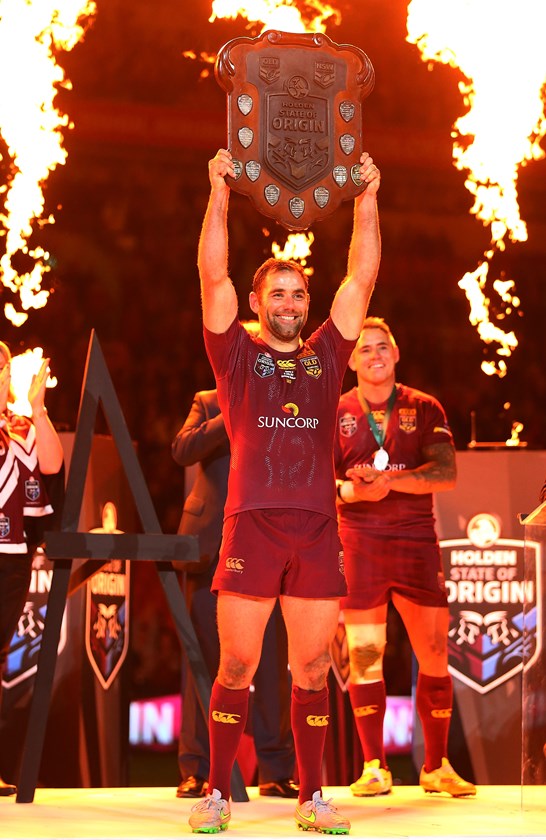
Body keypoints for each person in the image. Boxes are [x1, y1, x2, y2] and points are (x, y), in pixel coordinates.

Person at [187, 147, 381, 835]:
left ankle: (312, 798)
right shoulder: (235, 356)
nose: (291, 303)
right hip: (252, 525)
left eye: (299, 294)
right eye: (278, 293)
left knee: (311, 668)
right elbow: (212, 273)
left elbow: (361, 277)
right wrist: (219, 191)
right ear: (256, 303)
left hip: (317, 530)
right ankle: (216, 794)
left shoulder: (329, 355)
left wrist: (367, 197)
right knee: (237, 664)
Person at [334, 317, 476, 799]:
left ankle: (436, 766)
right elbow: (320, 482)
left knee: (434, 651)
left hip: (415, 541)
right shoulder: (336, 411)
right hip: (360, 540)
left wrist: (389, 481)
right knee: (365, 654)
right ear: (351, 361)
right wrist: (352, 492)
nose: (374, 355)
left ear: (396, 354)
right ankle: (374, 766)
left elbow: (446, 473)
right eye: (365, 349)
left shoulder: (424, 406)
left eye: (382, 347)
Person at [172, 336, 298, 800]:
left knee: (271, 661)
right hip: (210, 546)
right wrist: (233, 411)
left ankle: (276, 769)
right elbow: (182, 449)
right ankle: (196, 769)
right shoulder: (209, 401)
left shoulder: (289, 404)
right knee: (202, 658)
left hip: (268, 544)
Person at [0, 343, 64, 795]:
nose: (2, 374)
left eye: (4, 368)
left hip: (11, 556)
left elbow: (53, 464)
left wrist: (38, 410)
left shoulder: (20, 426)